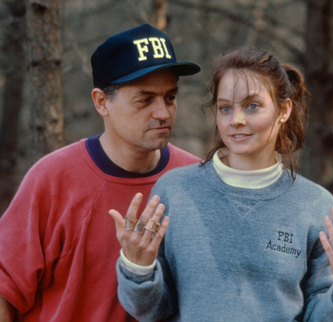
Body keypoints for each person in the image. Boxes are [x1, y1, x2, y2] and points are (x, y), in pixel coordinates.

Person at [111, 47, 333, 321]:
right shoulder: (175, 191)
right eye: (225, 108)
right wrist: (138, 269)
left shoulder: (315, 205)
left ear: (283, 110)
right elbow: (151, 311)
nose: (236, 120)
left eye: (252, 106)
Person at [0, 23, 202, 322]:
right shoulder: (54, 177)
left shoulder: (196, 178)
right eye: (145, 99)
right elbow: (6, 289)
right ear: (101, 102)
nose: (162, 112)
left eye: (170, 97)